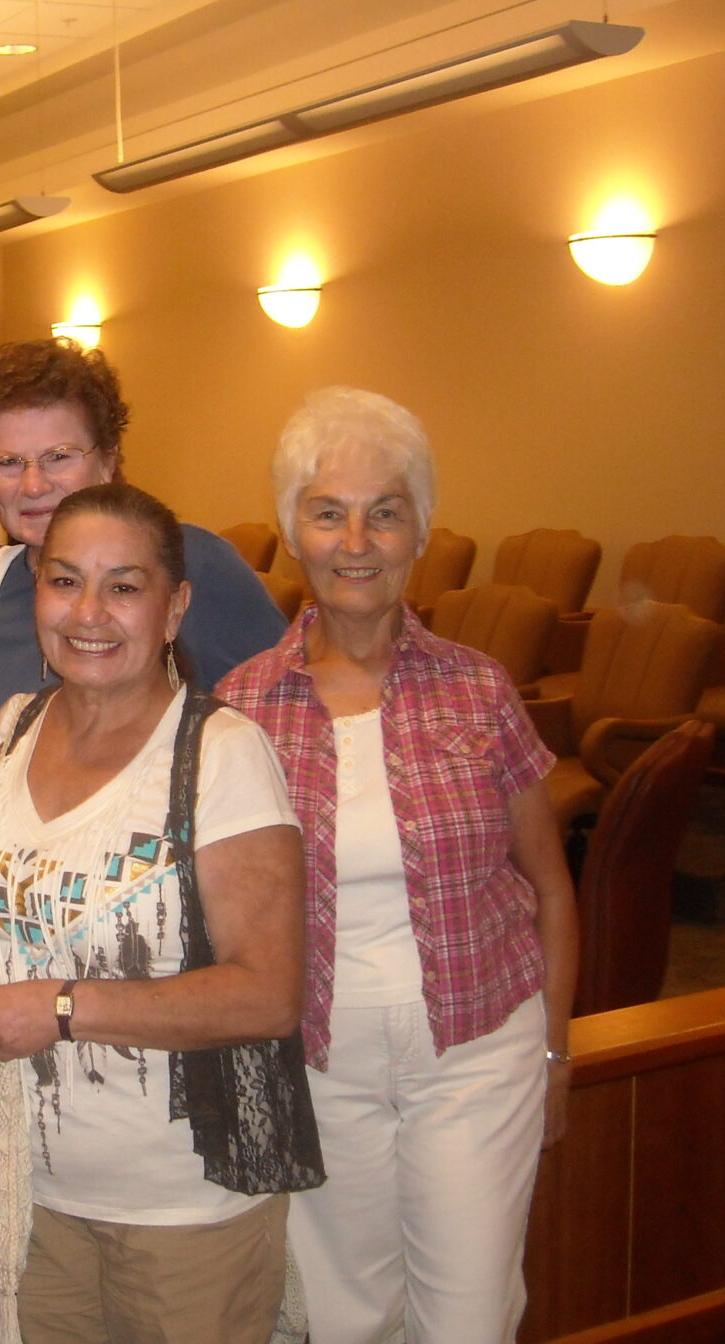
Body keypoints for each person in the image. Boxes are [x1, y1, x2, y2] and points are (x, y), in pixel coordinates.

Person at [216, 387, 580, 1344]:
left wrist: (555, 1055)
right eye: (328, 511)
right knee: (345, 1321)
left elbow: (549, 885)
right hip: (317, 1058)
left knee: (468, 1318)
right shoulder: (241, 707)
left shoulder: (478, 686)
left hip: (476, 1051)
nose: (356, 540)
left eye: (385, 512)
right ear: (295, 529)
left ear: (420, 529)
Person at [0, 481, 324, 1344]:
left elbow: (266, 995)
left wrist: (63, 1008)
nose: (90, 613)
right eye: (65, 580)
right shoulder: (9, 731)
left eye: (125, 586)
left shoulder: (221, 755)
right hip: (29, 1197)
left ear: (175, 605)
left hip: (182, 1212)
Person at [0, 337, 287, 728]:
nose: (33, 485)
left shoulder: (194, 563)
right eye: (7, 462)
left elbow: (291, 707)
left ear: (109, 459)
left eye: (58, 456)